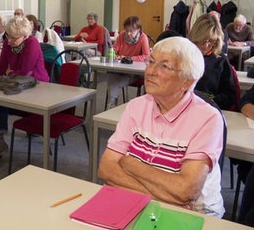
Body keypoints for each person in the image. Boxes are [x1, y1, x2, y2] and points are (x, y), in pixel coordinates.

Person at [98, 37, 225, 217]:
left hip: (195, 214)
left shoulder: (208, 118)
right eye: (151, 62)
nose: (150, 71)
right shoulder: (136, 106)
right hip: (147, 203)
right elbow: (106, 169)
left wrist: (131, 164)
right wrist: (155, 197)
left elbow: (186, 191)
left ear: (187, 81)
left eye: (164, 66)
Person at [0, 16, 50, 165]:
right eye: (8, 37)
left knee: (1, 100)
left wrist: (9, 73)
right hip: (18, 85)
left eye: (14, 38)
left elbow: (25, 71)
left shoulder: (32, 43)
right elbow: (2, 66)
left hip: (37, 87)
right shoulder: (8, 43)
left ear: (25, 35)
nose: (9, 41)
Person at [188, 14, 237, 110]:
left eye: (211, 41)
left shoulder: (220, 60)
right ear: (195, 37)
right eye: (203, 40)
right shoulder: (183, 56)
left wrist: (210, 101)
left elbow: (230, 95)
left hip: (210, 109)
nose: (206, 45)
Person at [106, 16, 150, 109]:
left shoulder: (143, 38)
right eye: (126, 30)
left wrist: (128, 58)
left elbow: (146, 56)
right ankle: (112, 104)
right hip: (120, 70)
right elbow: (115, 49)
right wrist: (113, 54)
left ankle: (112, 104)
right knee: (111, 75)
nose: (128, 33)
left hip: (134, 73)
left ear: (138, 29)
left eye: (131, 31)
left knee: (113, 80)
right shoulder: (121, 36)